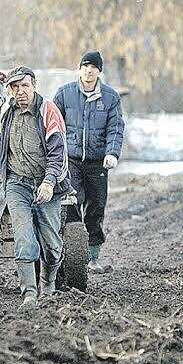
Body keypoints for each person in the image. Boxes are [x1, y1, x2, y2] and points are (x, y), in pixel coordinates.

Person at [0, 66, 72, 311]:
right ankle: (30, 294)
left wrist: (49, 182)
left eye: (24, 86)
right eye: (15, 87)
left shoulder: (48, 111)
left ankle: (48, 282)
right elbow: (2, 140)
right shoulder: (6, 113)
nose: (20, 91)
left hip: (46, 186)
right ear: (10, 90)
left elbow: (58, 152)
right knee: (24, 240)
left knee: (53, 247)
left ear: (34, 86)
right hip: (17, 184)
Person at [53, 51, 125, 270]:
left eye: (93, 67)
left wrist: (112, 153)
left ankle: (93, 257)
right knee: (71, 202)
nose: (89, 70)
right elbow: (53, 124)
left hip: (97, 163)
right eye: (85, 66)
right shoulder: (65, 94)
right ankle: (72, 254)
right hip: (71, 160)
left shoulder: (110, 97)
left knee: (96, 208)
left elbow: (115, 128)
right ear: (79, 69)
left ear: (99, 71)